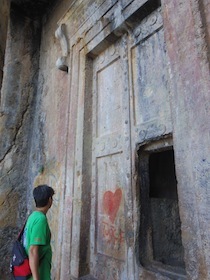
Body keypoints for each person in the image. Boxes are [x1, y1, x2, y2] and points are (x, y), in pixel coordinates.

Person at [23, 184, 55, 280]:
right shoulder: (41, 220)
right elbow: (33, 250)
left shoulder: (33, 216)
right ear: (49, 200)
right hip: (39, 273)